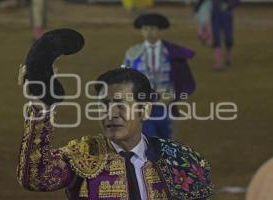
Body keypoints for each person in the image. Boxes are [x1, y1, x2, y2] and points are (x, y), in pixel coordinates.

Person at [17, 29, 213, 200]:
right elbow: (36, 177)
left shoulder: (180, 160)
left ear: (144, 110)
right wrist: (41, 108)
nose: (111, 113)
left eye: (120, 105)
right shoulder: (84, 154)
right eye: (104, 105)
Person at [123, 13, 196, 139]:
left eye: (152, 28)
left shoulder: (173, 54)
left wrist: (173, 96)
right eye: (145, 29)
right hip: (141, 105)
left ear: (160, 31)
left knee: (167, 141)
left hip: (166, 104)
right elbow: (124, 81)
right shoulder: (132, 53)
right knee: (146, 140)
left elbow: (183, 80)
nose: (149, 32)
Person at [211, 0, 239, 70]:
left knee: (228, 37)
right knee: (216, 36)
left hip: (227, 13)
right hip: (215, 12)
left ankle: (227, 56)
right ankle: (218, 62)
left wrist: (230, 5)